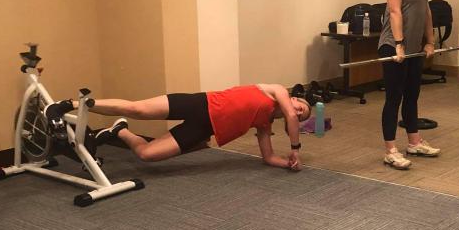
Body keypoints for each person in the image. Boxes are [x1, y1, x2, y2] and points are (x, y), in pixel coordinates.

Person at [46, 84, 311, 170]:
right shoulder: (275, 90)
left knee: (148, 156)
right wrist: (296, 147)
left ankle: (119, 131)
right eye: (301, 106)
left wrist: (287, 163)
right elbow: (288, 113)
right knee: (137, 108)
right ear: (294, 98)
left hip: (204, 126)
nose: (297, 112)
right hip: (200, 104)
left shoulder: (265, 122)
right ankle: (66, 104)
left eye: (302, 116)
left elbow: (268, 157)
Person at [377, 0, 440, 170]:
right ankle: (390, 150)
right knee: (394, 98)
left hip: (414, 47)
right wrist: (400, 45)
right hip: (393, 45)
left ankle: (414, 142)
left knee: (412, 94)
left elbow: (425, 11)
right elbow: (394, 11)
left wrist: (430, 41)